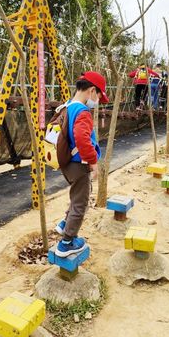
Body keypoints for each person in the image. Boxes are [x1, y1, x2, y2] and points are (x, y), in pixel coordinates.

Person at [55, 71, 109, 257]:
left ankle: (64, 224)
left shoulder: (67, 106)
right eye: (99, 97)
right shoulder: (83, 112)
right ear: (92, 91)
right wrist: (93, 162)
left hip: (67, 163)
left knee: (75, 196)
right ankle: (67, 242)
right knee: (81, 202)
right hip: (79, 165)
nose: (98, 102)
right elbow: (81, 138)